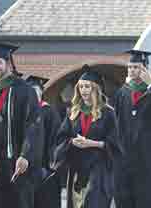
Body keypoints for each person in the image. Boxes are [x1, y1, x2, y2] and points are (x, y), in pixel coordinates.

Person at [0, 42, 42, 208]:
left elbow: (33, 125)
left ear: (9, 64)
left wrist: (26, 155)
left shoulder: (25, 91)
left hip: (15, 161)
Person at [52, 65, 118, 208]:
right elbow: (61, 137)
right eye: (81, 87)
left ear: (96, 89)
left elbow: (115, 143)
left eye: (87, 86)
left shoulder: (108, 113)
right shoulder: (73, 112)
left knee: (93, 201)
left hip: (98, 166)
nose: (83, 90)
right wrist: (71, 141)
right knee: (77, 203)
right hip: (77, 166)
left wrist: (92, 143)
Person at [113, 49, 151, 208]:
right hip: (127, 157)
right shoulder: (122, 93)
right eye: (130, 67)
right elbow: (116, 124)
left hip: (149, 158)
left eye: (136, 67)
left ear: (145, 69)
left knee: (149, 198)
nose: (132, 71)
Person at [25, 75, 62, 208]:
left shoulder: (49, 112)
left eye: (36, 91)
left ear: (41, 92)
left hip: (44, 169)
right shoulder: (23, 112)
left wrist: (49, 165)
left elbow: (56, 139)